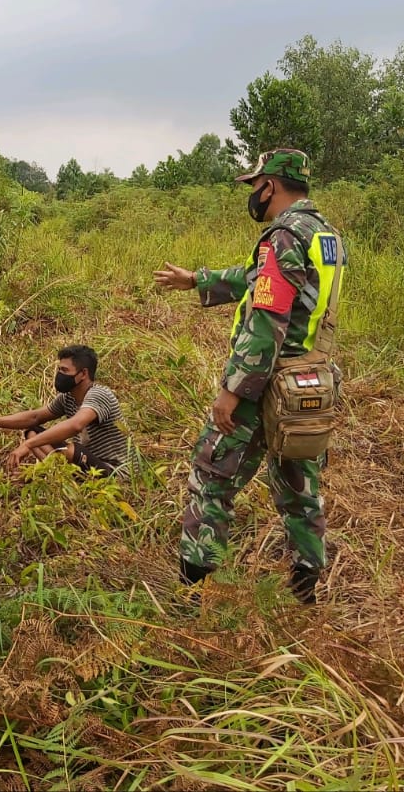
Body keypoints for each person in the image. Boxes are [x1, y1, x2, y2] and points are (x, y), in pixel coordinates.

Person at [153, 148, 345, 605]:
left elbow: (266, 322)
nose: (253, 195)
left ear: (270, 186)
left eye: (254, 186)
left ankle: (193, 598)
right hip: (311, 383)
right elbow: (266, 279)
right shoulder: (323, 234)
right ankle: (304, 595)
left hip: (267, 388)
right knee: (300, 488)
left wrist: (231, 393)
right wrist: (198, 279)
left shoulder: (281, 235)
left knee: (211, 478)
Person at [0, 345, 131, 478]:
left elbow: (76, 424)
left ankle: (62, 477)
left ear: (83, 374)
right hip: (86, 464)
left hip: (114, 471)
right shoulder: (69, 397)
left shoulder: (100, 394)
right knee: (33, 432)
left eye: (65, 370)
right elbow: (35, 417)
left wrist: (27, 446)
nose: (59, 375)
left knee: (71, 449)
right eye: (59, 370)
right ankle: (60, 477)